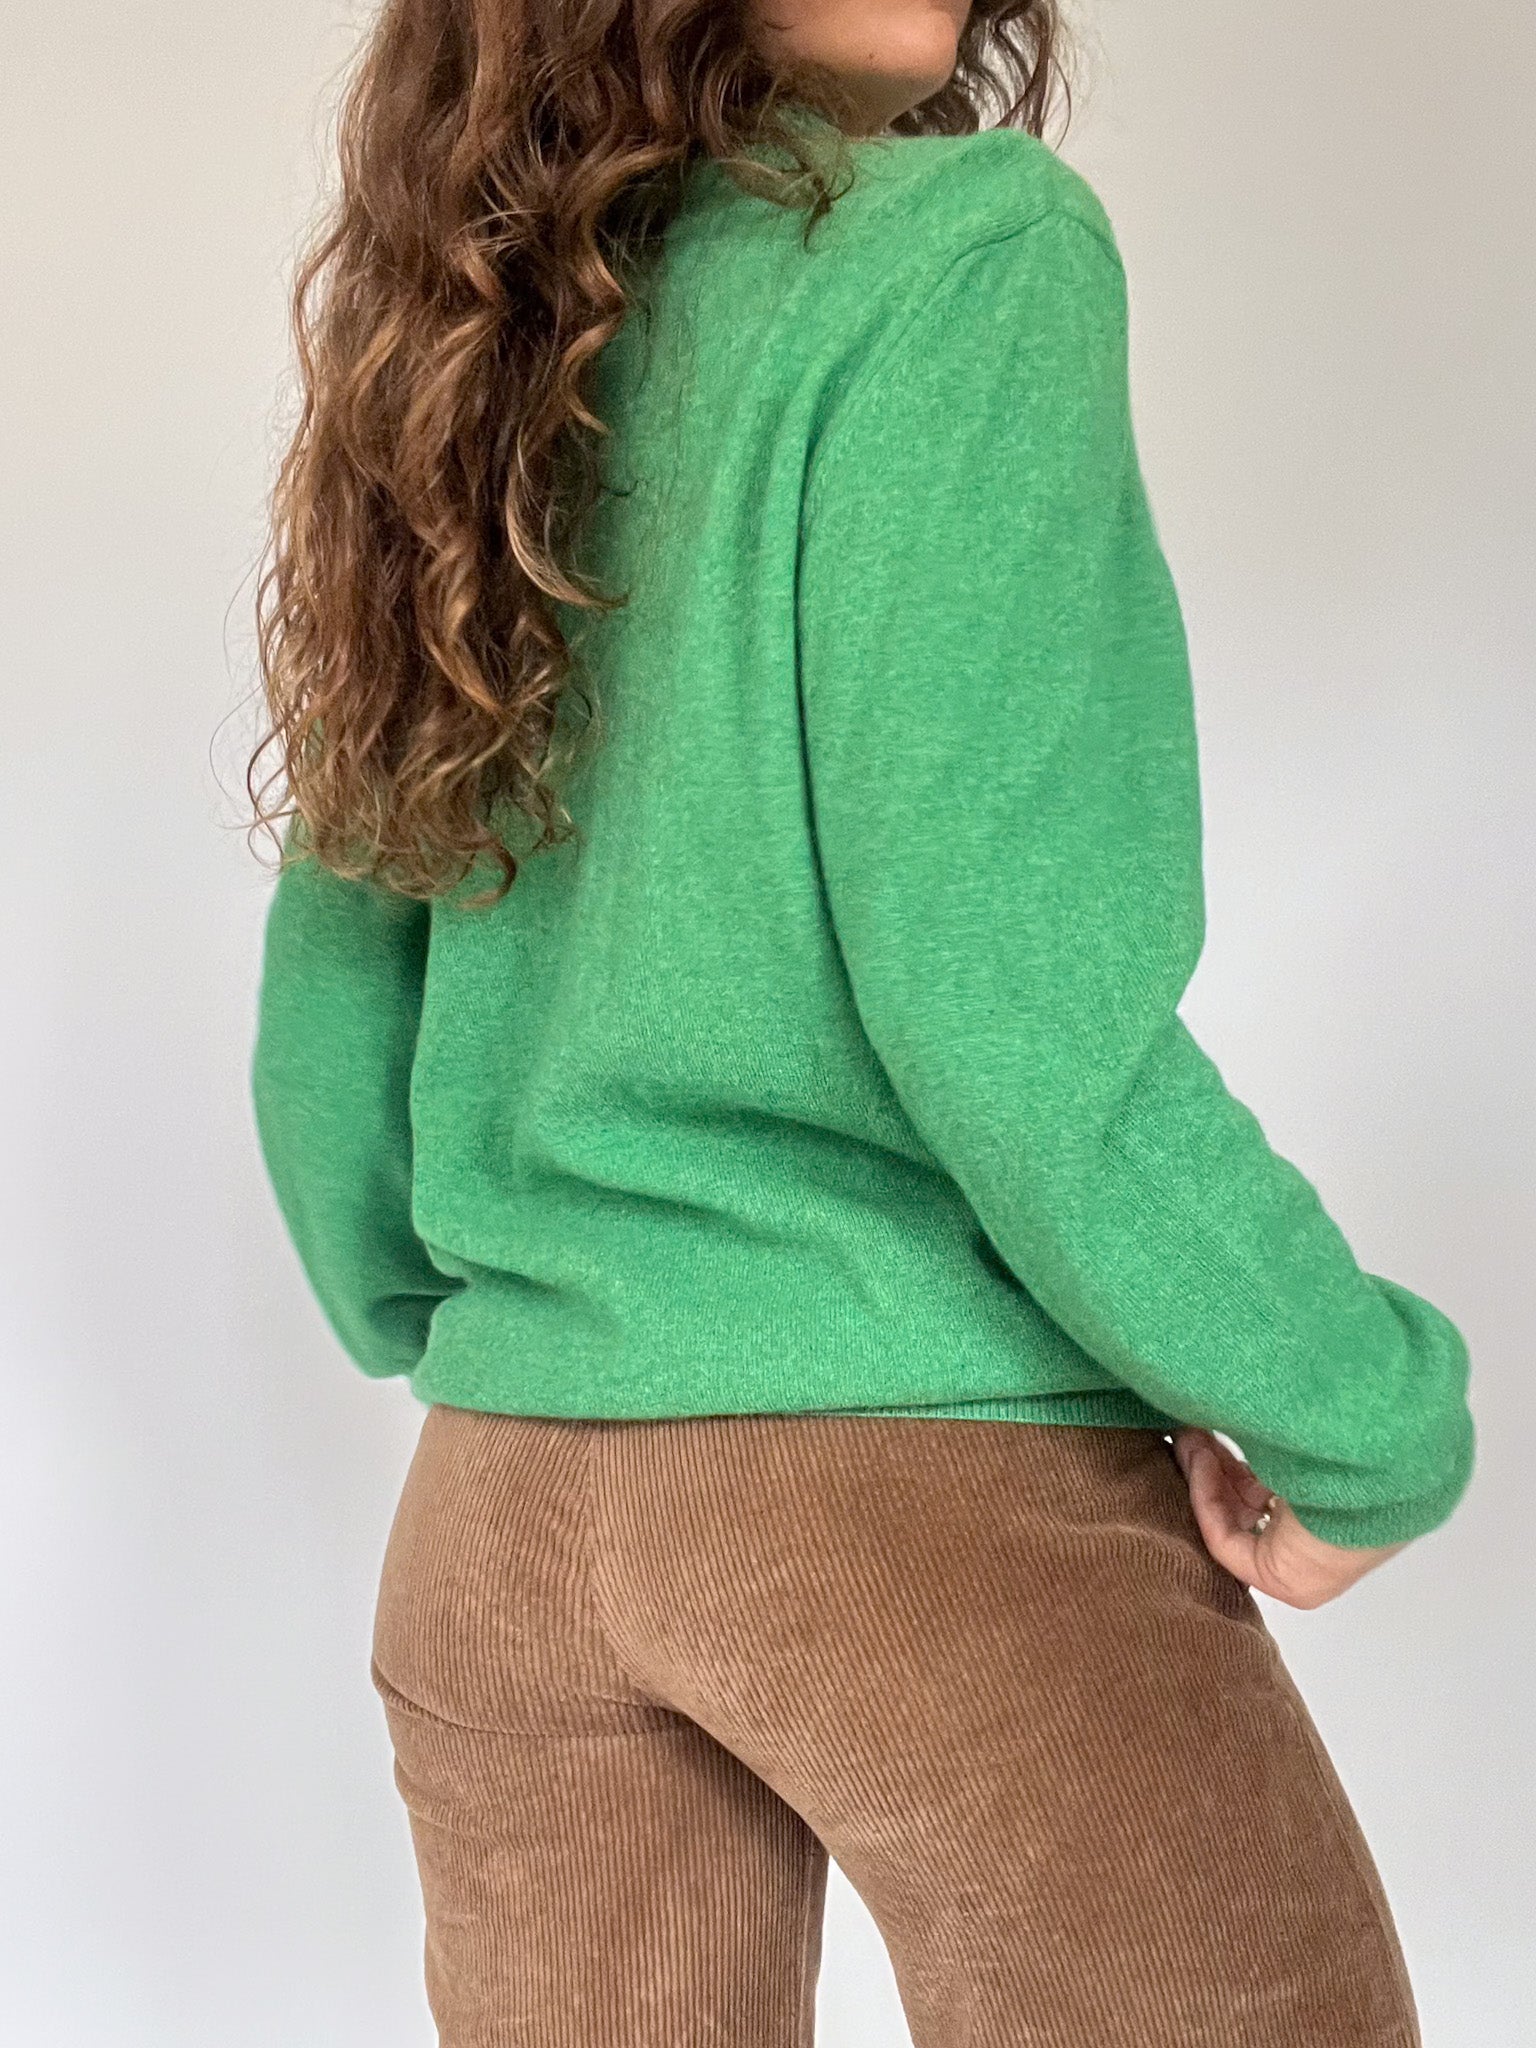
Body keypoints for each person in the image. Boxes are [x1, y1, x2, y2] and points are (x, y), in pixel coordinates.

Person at [245, 0, 1476, 2041]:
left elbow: (330, 1011)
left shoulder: (463, 346)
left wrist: (529, 1324)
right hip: (916, 1506)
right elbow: (1005, 1000)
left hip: (504, 1519)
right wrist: (1360, 1413)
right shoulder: (967, 256)